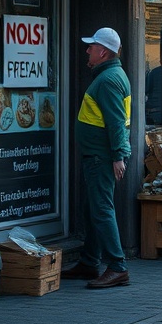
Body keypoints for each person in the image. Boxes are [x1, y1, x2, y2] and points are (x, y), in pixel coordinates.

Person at [62, 27, 132, 289]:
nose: (87, 50)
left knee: (101, 209)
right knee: (93, 210)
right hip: (99, 155)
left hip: (101, 157)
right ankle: (89, 261)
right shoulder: (111, 75)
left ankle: (117, 266)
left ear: (103, 52)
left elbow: (116, 122)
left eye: (91, 46)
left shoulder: (107, 80)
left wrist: (118, 156)